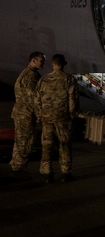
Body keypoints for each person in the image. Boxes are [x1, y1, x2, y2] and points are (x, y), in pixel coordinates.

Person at [35, 53, 79, 183]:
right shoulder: (69, 79)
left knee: (47, 146)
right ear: (64, 64)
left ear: (52, 64)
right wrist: (72, 114)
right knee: (64, 145)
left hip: (47, 118)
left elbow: (37, 99)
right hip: (63, 118)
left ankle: (46, 173)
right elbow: (73, 99)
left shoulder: (43, 79)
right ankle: (65, 173)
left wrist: (39, 114)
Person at [9, 51, 45, 180]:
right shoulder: (31, 76)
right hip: (26, 113)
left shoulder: (26, 74)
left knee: (20, 140)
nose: (43, 63)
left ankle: (16, 165)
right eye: (41, 61)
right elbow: (34, 98)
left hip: (21, 112)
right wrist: (39, 114)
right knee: (25, 141)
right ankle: (18, 168)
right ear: (33, 61)